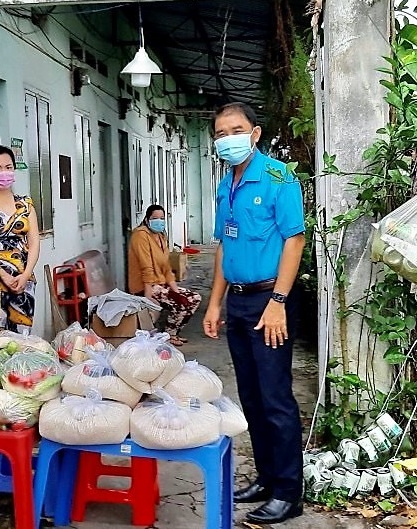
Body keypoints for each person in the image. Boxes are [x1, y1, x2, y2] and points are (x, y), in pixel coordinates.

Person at [203, 102, 306, 526]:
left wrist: (279, 303)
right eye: (221, 132)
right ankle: (266, 478)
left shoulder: (279, 178)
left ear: (255, 133)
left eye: (237, 129)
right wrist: (214, 302)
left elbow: (294, 241)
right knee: (251, 395)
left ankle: (288, 492)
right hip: (240, 302)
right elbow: (224, 246)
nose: (228, 137)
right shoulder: (226, 185)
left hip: (270, 302)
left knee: (276, 397)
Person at [0, 145, 40, 334]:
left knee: (21, 340)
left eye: (8, 167)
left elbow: (34, 244)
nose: (4, 172)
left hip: (23, 283)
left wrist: (25, 275)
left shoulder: (25, 204)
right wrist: (3, 275)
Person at [128, 204, 201, 347]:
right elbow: (146, 264)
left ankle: (173, 333)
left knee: (194, 299)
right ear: (147, 219)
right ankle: (169, 335)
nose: (159, 221)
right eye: (155, 218)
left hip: (160, 283)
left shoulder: (161, 237)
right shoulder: (140, 235)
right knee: (181, 303)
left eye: (162, 218)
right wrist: (148, 289)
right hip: (145, 285)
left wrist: (174, 287)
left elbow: (166, 266)